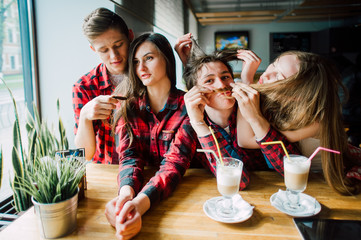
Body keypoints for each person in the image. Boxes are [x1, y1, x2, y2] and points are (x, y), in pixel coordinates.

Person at [104, 33, 202, 240]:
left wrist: (139, 205)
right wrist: (125, 196)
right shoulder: (127, 106)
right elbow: (129, 157)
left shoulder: (188, 106)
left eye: (149, 58)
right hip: (147, 193)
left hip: (184, 203)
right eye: (136, 61)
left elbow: (174, 164)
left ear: (166, 59)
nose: (141, 67)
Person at [235, 50, 361, 195]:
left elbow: (245, 140)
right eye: (274, 64)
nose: (266, 74)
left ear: (299, 94)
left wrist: (246, 84)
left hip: (319, 182)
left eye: (278, 75)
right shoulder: (279, 99)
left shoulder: (315, 120)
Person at [183, 42, 300, 190]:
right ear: (195, 91)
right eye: (209, 80)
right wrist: (199, 124)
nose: (221, 85)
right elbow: (239, 182)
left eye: (225, 77)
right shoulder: (192, 126)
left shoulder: (256, 105)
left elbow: (292, 170)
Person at [72, 8, 134, 163]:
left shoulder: (147, 74)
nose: (114, 56)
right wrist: (85, 116)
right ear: (93, 50)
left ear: (130, 37)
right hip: (107, 170)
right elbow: (84, 154)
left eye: (118, 44)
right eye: (104, 50)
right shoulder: (84, 86)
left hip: (149, 170)